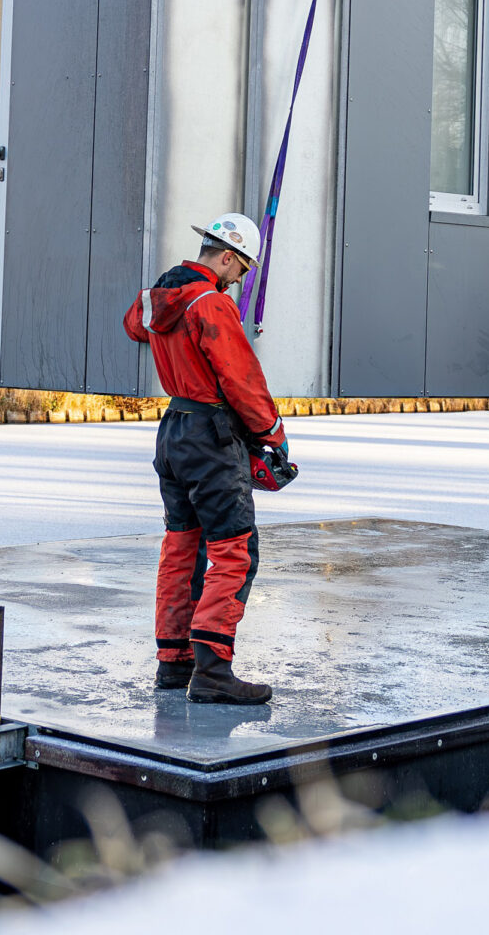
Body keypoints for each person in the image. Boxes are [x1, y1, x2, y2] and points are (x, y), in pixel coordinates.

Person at [123, 213, 290, 705]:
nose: (240, 280)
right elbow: (242, 378)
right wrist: (273, 435)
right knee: (234, 551)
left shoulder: (162, 298)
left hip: (173, 431)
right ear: (225, 257)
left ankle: (174, 664)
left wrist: (163, 290)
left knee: (182, 547)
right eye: (241, 269)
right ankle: (214, 671)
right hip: (212, 438)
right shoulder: (210, 304)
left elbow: (135, 326)